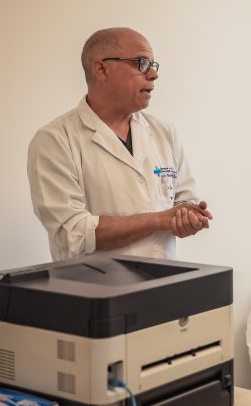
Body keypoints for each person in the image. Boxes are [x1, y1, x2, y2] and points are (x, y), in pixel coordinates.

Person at [28, 27, 212, 261]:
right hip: (94, 284)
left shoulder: (165, 133)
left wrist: (187, 217)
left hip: (166, 280)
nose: (153, 74)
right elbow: (73, 233)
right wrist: (160, 219)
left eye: (153, 65)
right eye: (141, 63)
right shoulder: (55, 140)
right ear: (102, 69)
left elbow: (184, 202)